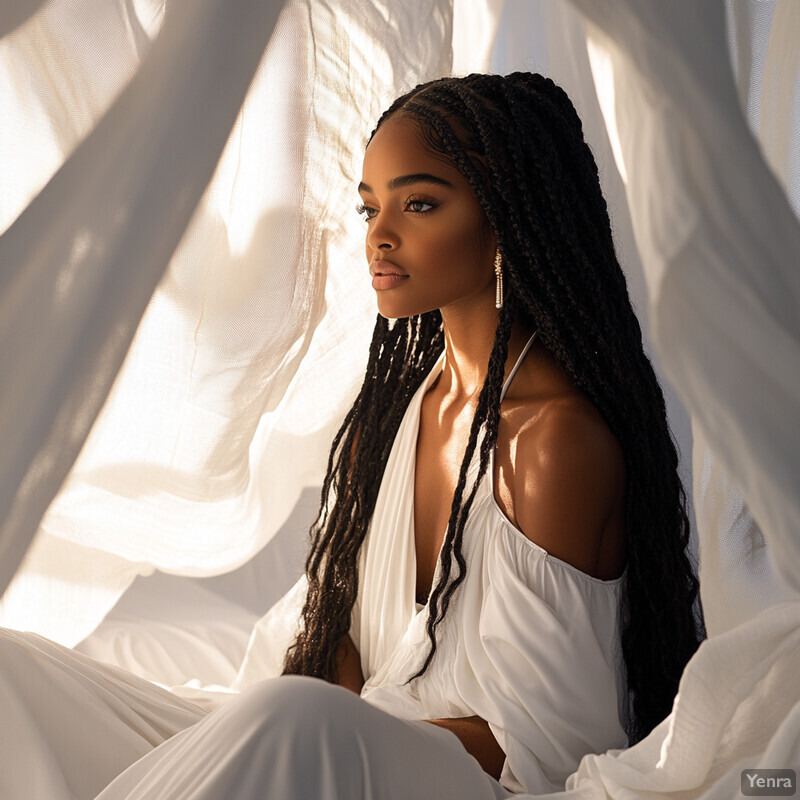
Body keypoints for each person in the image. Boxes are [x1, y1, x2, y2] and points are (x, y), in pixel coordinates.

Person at [0, 72, 703, 800]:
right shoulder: (398, 410)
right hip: (321, 734)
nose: (380, 235)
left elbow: (540, 748)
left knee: (295, 718)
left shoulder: (553, 442)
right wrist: (330, 692)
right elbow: (330, 638)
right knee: (13, 677)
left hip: (466, 783)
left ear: (507, 222)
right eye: (370, 208)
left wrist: (341, 721)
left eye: (420, 204)